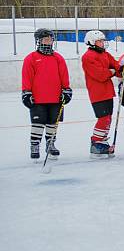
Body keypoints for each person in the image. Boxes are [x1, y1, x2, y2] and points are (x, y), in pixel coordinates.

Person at [21, 28, 71, 161]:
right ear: (38, 41)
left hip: (56, 98)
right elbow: (27, 77)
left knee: (52, 123)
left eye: (50, 39)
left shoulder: (58, 58)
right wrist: (26, 92)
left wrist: (66, 90)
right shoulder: (31, 58)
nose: (48, 42)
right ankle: (35, 145)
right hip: (37, 98)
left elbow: (64, 76)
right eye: (45, 39)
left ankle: (50, 143)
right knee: (38, 123)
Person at [81, 30, 121, 158]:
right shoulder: (88, 57)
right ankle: (96, 143)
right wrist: (113, 71)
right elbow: (101, 74)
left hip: (108, 91)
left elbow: (115, 65)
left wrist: (122, 70)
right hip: (97, 92)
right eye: (99, 41)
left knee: (108, 118)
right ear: (91, 42)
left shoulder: (105, 54)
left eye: (103, 41)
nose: (102, 44)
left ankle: (102, 141)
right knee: (103, 118)